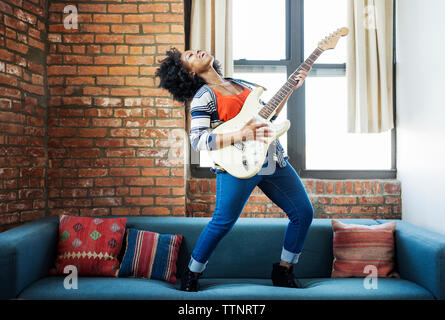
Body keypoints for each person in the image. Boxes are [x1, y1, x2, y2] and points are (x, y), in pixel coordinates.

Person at [155, 47, 314, 292]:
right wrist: (242, 133)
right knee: (222, 223)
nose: (196, 51)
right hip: (236, 164)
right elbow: (198, 140)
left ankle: (284, 270)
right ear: (187, 74)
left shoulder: (243, 84)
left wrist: (291, 88)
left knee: (304, 213)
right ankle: (192, 273)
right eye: (189, 56)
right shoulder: (203, 97)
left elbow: (268, 118)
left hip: (271, 158)